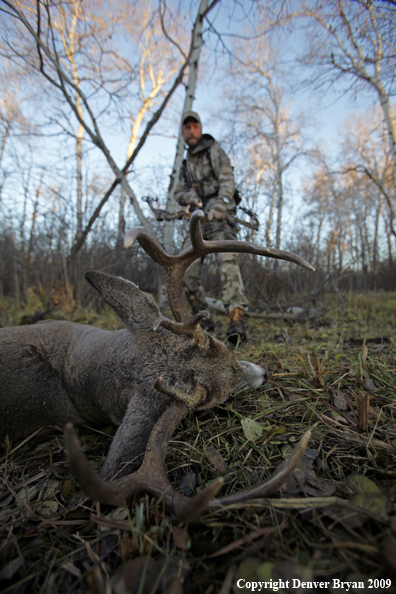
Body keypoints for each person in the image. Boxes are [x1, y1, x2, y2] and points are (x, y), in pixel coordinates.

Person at [174, 110, 248, 344]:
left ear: (200, 128)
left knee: (228, 264)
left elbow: (227, 180)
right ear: (183, 132)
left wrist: (220, 204)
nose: (191, 131)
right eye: (187, 128)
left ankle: (236, 320)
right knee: (185, 268)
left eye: (195, 126)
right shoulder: (185, 164)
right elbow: (177, 191)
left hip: (221, 219)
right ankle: (203, 320)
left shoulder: (214, 151)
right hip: (199, 222)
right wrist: (190, 197)